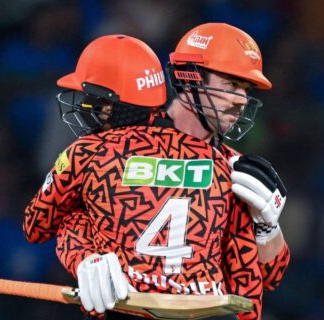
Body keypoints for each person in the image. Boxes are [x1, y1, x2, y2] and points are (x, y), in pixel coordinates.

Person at [25, 23, 290, 320]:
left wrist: (269, 230)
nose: (241, 100)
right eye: (231, 85)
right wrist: (84, 257)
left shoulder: (237, 169)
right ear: (190, 80)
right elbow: (62, 222)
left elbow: (270, 277)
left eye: (245, 89)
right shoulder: (223, 167)